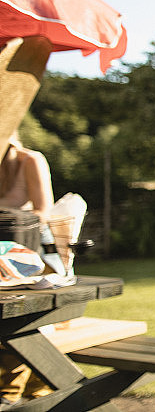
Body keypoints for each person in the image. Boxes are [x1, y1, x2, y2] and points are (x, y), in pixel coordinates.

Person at [0, 131, 53, 404]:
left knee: (20, 318)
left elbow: (44, 212)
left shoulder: (29, 160)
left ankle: (12, 392)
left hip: (23, 257)